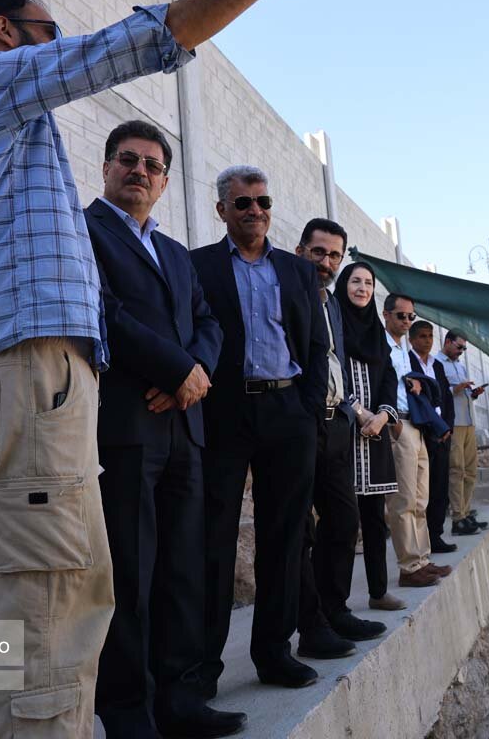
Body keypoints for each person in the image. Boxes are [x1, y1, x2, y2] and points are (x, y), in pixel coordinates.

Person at [0, 0, 354, 735]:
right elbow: (135, 43)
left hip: (32, 386)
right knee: (48, 611)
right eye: (48, 27)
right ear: (5, 31)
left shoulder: (7, 142)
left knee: (62, 596)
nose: (58, 40)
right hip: (27, 380)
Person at [84, 121, 242, 738]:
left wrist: (192, 374)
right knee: (130, 573)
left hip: (184, 426)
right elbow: (105, 313)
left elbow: (208, 322)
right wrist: (177, 370)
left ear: (166, 182)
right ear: (106, 168)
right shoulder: (83, 230)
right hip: (127, 426)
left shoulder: (175, 252)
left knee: (182, 571)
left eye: (152, 165)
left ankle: (180, 701)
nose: (140, 172)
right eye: (128, 160)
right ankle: (129, 713)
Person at [191, 165, 329, 693]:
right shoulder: (198, 265)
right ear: (221, 210)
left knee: (285, 537)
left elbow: (316, 345)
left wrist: (307, 408)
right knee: (213, 539)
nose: (255, 211)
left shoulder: (298, 272)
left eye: (263, 202)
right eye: (243, 202)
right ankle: (202, 668)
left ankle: (274, 653)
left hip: (287, 411)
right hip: (224, 414)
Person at [292, 219, 387, 657]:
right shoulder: (289, 292)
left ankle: (335, 610)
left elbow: (337, 362)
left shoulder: (330, 303)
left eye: (334, 255)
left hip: (335, 425)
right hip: (300, 423)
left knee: (344, 520)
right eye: (319, 252)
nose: (326, 262)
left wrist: (349, 413)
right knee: (300, 531)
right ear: (301, 251)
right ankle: (310, 626)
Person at [333, 262, 405, 610]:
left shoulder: (376, 332)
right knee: (341, 520)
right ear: (343, 285)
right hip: (341, 431)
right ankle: (336, 602)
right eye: (355, 281)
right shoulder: (332, 324)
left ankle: (378, 592)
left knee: (375, 518)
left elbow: (389, 377)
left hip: (374, 436)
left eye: (368, 283)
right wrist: (360, 412)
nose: (362, 288)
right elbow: (330, 371)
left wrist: (383, 416)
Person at [382, 294, 450, 586]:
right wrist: (393, 422)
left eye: (411, 316)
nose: (407, 321)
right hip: (398, 423)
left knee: (421, 498)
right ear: (386, 315)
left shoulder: (402, 349)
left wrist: (416, 383)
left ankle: (421, 559)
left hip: (415, 422)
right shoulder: (381, 345)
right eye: (401, 316)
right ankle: (409, 567)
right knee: (404, 500)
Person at [409, 320, 458, 553]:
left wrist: (448, 427)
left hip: (442, 434)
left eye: (430, 336)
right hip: (422, 432)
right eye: (422, 336)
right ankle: (420, 539)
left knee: (440, 486)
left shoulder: (437, 365)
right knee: (421, 489)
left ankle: (435, 535)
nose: (427, 340)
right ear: (412, 339)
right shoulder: (407, 362)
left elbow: (447, 398)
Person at [435, 331, 489, 535]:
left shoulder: (460, 365)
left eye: (464, 348)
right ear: (448, 342)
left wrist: (473, 393)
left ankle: (466, 514)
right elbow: (439, 393)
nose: (461, 351)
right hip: (454, 423)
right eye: (459, 347)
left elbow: (463, 395)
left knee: (470, 470)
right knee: (456, 470)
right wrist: (457, 388)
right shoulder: (437, 363)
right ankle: (457, 518)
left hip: (468, 422)